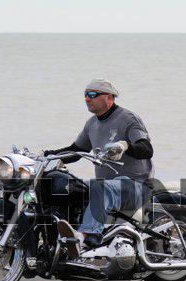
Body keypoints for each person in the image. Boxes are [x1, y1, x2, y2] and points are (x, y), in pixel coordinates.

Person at [44, 78, 154, 258]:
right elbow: (76, 150)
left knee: (100, 186)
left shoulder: (128, 119)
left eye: (93, 94)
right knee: (68, 187)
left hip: (137, 185)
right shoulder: (92, 124)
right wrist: (48, 155)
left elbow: (147, 148)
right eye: (85, 94)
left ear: (109, 97)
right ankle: (56, 241)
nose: (87, 98)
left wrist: (125, 146)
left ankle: (86, 236)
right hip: (109, 187)